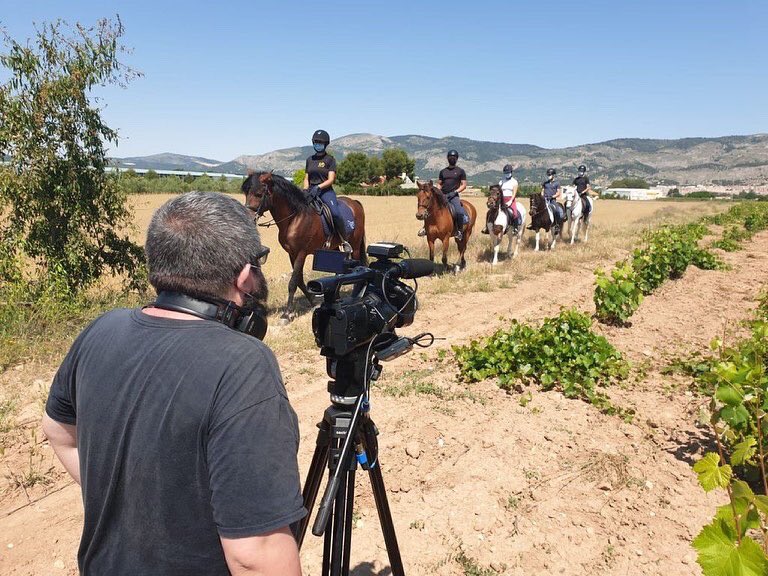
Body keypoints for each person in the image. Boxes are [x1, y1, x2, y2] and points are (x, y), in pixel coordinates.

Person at [42, 192, 306, 576]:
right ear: (245, 275)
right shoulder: (243, 363)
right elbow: (254, 557)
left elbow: (58, 431)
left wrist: (128, 503)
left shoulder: (100, 329)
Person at [303, 129, 352, 252]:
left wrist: (318, 187)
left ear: (325, 144)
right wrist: (305, 190)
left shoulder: (330, 160)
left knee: (334, 213)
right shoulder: (310, 159)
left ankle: (344, 240)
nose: (317, 144)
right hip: (310, 191)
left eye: (320, 142)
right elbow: (306, 177)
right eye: (315, 142)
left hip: (325, 192)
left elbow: (331, 179)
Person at [418, 149, 469, 240]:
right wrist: (438, 191)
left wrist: (455, 192)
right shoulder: (443, 171)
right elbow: (439, 184)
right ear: (447, 158)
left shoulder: (461, 171)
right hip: (443, 195)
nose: (452, 158)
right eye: (450, 157)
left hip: (454, 196)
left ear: (456, 159)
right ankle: (425, 228)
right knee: (429, 208)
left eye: (453, 157)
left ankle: (459, 231)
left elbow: (464, 185)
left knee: (459, 211)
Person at [542, 167, 564, 232]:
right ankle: (535, 224)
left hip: (552, 200)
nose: (548, 176)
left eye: (550, 175)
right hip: (545, 199)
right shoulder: (545, 183)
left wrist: (552, 196)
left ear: (553, 175)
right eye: (548, 175)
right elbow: (542, 191)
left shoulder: (557, 183)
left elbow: (558, 193)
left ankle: (557, 225)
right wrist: (542, 196)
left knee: (557, 210)